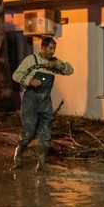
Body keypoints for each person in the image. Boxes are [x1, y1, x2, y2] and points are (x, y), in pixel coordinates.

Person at [12, 37, 74, 172]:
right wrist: (30, 80)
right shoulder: (31, 60)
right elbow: (16, 75)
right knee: (29, 131)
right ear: (43, 47)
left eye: (54, 49)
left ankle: (41, 163)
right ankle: (19, 150)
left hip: (45, 101)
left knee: (45, 132)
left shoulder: (53, 63)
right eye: (50, 49)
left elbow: (70, 70)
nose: (52, 52)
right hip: (31, 101)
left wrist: (57, 64)